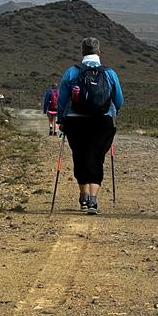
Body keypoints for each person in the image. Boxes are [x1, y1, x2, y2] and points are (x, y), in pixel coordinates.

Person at [56, 37, 124, 216]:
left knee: (79, 156)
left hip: (75, 121)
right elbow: (118, 100)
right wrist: (111, 113)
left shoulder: (71, 72)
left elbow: (62, 98)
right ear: (99, 52)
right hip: (102, 121)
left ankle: (83, 195)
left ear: (82, 52)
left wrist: (62, 120)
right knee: (96, 157)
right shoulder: (109, 73)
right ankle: (93, 199)